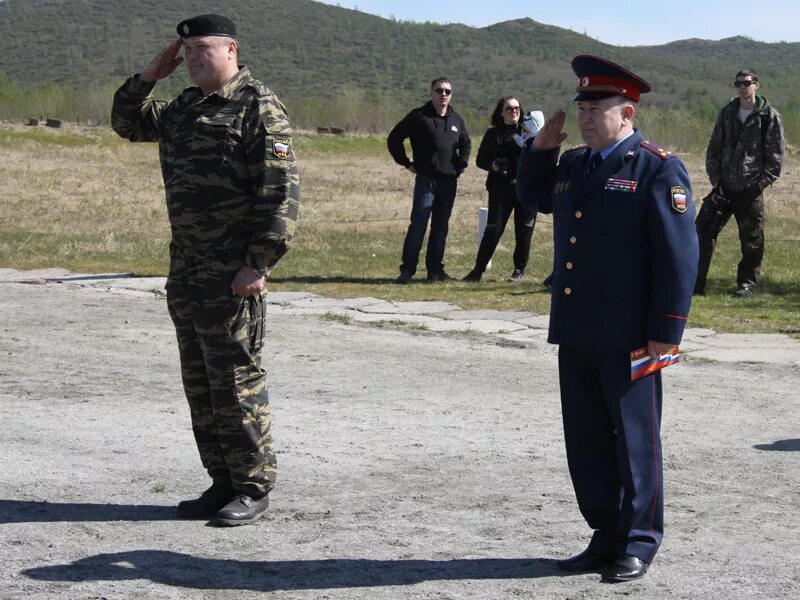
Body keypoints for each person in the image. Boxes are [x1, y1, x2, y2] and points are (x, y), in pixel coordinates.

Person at [111, 14, 300, 526]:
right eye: (186, 51)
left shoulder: (257, 104)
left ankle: (254, 486)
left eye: (203, 49)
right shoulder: (184, 107)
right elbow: (127, 123)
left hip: (233, 272)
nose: (193, 58)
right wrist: (152, 73)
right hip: (188, 268)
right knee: (200, 380)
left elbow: (279, 193)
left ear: (232, 49)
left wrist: (257, 263)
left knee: (236, 378)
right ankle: (222, 479)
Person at [516, 55, 698, 582]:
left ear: (628, 113)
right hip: (577, 327)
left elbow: (678, 255)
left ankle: (640, 539)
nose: (588, 117)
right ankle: (606, 533)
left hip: (631, 334)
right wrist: (540, 152)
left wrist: (666, 330)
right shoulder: (574, 163)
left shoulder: (656, 167)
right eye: (583, 109)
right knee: (588, 439)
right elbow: (531, 199)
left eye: (599, 109)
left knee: (635, 439)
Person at [696, 69, 785, 298]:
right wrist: (716, 182)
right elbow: (714, 149)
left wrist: (759, 185)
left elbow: (776, 157)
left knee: (752, 242)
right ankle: (695, 283)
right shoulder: (727, 113)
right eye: (738, 83)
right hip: (724, 188)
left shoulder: (769, 116)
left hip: (750, 190)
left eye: (747, 83)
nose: (742, 87)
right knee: (702, 233)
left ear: (757, 84)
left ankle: (746, 284)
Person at [387, 78, 471, 283]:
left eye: (448, 91)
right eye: (440, 90)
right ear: (431, 93)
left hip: (449, 182)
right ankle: (407, 271)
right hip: (427, 180)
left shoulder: (456, 119)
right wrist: (406, 163)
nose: (444, 94)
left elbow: (466, 143)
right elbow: (394, 139)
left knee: (441, 227)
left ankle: (435, 272)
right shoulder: (419, 116)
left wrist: (461, 166)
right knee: (418, 225)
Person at [463, 99, 542, 283]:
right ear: (501, 112)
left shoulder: (530, 131)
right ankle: (477, 270)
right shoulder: (493, 134)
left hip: (526, 188)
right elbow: (480, 160)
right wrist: (493, 165)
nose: (513, 111)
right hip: (500, 188)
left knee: (524, 231)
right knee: (493, 229)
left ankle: (518, 270)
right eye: (509, 108)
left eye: (517, 108)